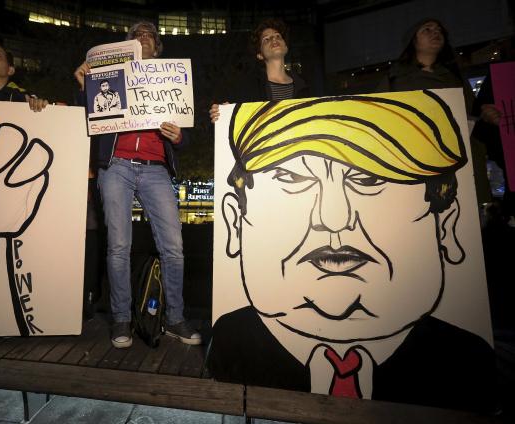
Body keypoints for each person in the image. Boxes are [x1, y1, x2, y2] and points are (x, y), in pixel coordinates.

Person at [208, 91, 495, 413]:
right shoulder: (228, 345)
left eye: (369, 178)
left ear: (445, 224)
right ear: (235, 225)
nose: (333, 219)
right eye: (294, 177)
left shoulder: (467, 363)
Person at [74, 21, 201, 348]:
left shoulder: (170, 80)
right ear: (126, 46)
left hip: (156, 169)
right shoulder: (110, 76)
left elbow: (187, 135)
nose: (144, 38)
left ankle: (175, 318)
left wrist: (180, 136)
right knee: (118, 246)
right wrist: (84, 87)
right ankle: (121, 319)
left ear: (157, 48)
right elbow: (86, 118)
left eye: (150, 36)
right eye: (136, 35)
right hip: (116, 166)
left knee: (174, 246)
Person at [377, 18, 491, 204]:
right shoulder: (395, 79)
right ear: (412, 41)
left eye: (438, 30)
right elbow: (380, 116)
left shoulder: (454, 77)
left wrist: (486, 114)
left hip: (460, 161)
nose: (435, 32)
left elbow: (472, 115)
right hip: (419, 162)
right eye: (426, 29)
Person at [209, 18, 308, 123]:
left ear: (286, 47)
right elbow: (238, 121)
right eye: (266, 39)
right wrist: (222, 114)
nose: (274, 40)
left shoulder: (305, 86)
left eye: (278, 36)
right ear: (260, 55)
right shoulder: (248, 87)